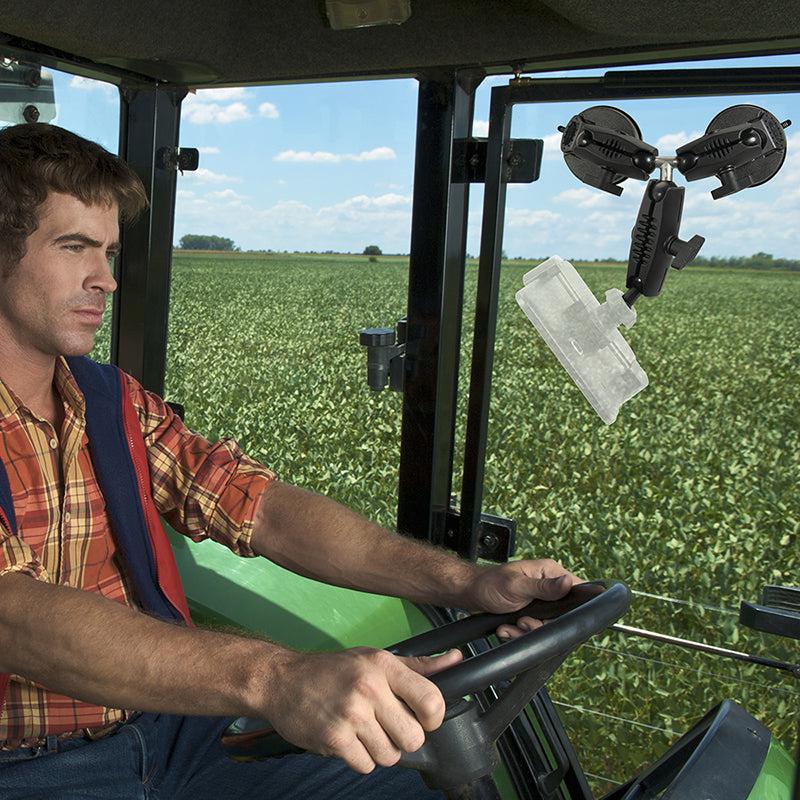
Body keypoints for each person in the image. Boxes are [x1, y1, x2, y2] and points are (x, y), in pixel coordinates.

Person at [0, 123, 579, 799]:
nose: (106, 280)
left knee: (404, 784)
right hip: (25, 769)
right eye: (75, 248)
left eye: (110, 252)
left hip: (166, 734)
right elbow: (13, 615)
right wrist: (278, 679)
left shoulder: (108, 401)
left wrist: (464, 584)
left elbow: (261, 508)